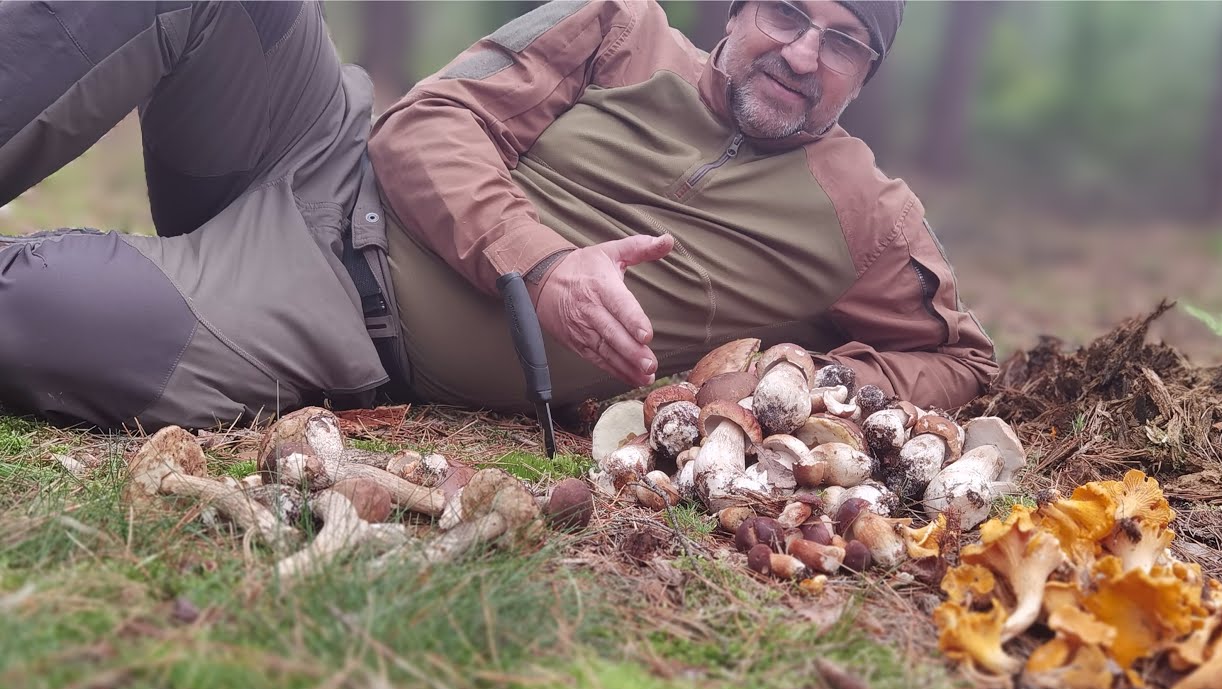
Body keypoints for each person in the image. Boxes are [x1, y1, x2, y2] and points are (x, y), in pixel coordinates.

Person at [0, 0, 996, 433]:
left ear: (863, 79)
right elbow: (426, 124)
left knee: (44, 314)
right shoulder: (621, 30)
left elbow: (958, 360)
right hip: (313, 150)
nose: (801, 52)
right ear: (735, 14)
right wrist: (544, 262)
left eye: (844, 42)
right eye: (786, 12)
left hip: (336, 309)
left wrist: (795, 378)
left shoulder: (864, 216)